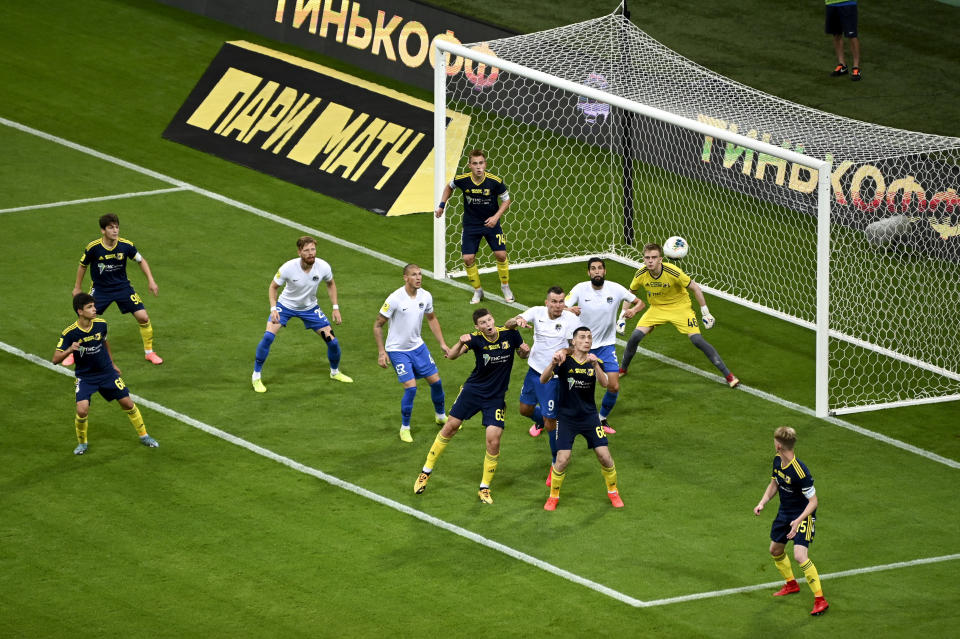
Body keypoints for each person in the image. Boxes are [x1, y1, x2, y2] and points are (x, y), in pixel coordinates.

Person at [413, 308, 530, 504]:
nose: (488, 325)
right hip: (473, 392)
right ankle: (426, 472)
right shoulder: (475, 339)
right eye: (483, 323)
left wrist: (524, 352)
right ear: (477, 327)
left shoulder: (510, 334)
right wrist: (461, 341)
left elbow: (522, 353)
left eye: (490, 320)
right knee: (450, 427)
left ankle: (484, 488)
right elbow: (451, 356)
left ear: (494, 319)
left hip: (495, 398)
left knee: (494, 440)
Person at [619, 243, 740, 388]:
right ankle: (622, 369)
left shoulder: (673, 272)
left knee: (697, 340)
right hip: (657, 308)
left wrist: (705, 312)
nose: (650, 261)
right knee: (635, 337)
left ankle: (729, 375)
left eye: (654, 257)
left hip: (680, 308)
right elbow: (630, 293)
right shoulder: (640, 274)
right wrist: (621, 318)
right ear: (644, 259)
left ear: (660, 259)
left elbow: (695, 287)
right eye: (647, 258)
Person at [53, 293, 159, 454]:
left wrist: (112, 363)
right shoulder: (70, 333)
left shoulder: (101, 324)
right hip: (85, 377)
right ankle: (82, 444)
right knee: (82, 410)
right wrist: (69, 350)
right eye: (90, 307)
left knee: (128, 403)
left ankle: (144, 436)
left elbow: (105, 342)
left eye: (94, 306)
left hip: (107, 373)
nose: (94, 309)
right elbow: (55, 359)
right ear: (80, 311)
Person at [251, 236, 352, 392]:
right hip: (285, 307)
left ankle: (335, 372)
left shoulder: (323, 266)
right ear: (299, 252)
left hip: (310, 309)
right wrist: (274, 308)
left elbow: (331, 284)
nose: (311, 253)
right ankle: (256, 377)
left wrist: (335, 307)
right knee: (268, 337)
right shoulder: (287, 268)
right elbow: (273, 287)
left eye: (313, 249)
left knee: (333, 342)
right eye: (307, 250)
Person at [540, 327, 623, 511]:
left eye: (589, 337)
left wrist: (595, 366)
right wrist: (552, 364)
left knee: (605, 456)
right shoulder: (564, 361)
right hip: (567, 418)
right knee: (562, 459)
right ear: (574, 342)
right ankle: (553, 497)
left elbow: (605, 383)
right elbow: (543, 380)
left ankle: (613, 492)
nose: (587, 340)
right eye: (583, 337)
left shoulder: (595, 361)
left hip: (589, 418)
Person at [753, 426, 829, 616]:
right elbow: (774, 484)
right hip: (784, 513)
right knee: (775, 550)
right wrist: (762, 502)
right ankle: (791, 584)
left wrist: (798, 520)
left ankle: (820, 600)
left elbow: (814, 502)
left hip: (803, 514)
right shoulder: (777, 461)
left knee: (799, 555)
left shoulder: (800, 472)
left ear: (778, 445)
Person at [68, 213, 162, 367]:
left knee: (143, 317)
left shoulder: (126, 245)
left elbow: (141, 260)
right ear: (103, 230)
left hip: (123, 288)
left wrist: (151, 280)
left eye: (117, 227)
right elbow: (82, 266)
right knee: (86, 318)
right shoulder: (94, 248)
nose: (115, 231)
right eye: (111, 228)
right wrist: (77, 287)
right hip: (101, 289)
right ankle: (74, 352)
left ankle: (149, 352)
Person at [565, 257, 644, 434]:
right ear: (589, 272)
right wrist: (569, 309)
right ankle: (556, 417)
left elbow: (640, 302)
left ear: (605, 271)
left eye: (600, 268)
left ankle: (601, 419)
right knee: (574, 386)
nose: (597, 271)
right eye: (593, 269)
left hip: (606, 347)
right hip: (582, 347)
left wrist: (632, 310)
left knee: (613, 386)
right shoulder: (580, 288)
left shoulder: (615, 289)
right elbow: (560, 307)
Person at [374, 263, 450, 443]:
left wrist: (442, 343)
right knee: (411, 387)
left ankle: (440, 416)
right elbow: (378, 325)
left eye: (420, 274)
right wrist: (381, 352)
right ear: (405, 278)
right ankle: (405, 428)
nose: (419, 278)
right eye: (414, 275)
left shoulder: (426, 296)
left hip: (418, 347)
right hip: (397, 350)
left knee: (436, 382)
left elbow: (431, 319)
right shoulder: (395, 299)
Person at [435, 149, 515, 304]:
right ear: (469, 165)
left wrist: (496, 217)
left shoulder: (495, 181)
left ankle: (505, 287)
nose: (479, 167)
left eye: (481, 163)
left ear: (485, 164)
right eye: (475, 164)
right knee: (468, 258)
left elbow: (507, 200)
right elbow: (449, 187)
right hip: (471, 225)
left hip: (492, 224)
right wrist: (441, 205)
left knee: (501, 255)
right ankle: (478, 291)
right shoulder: (462, 179)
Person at [826, 0, 861, 81]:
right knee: (836, 34)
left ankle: (856, 67)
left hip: (848, 3)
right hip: (830, 3)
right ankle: (842, 65)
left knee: (852, 35)